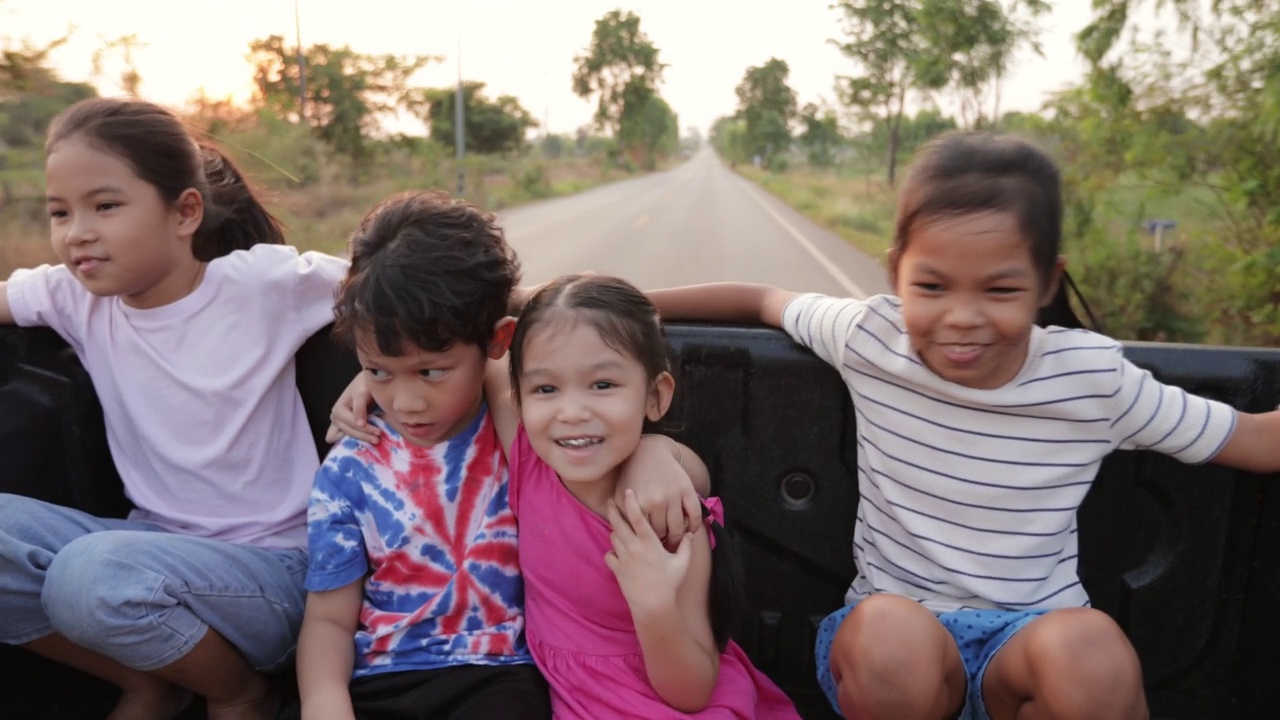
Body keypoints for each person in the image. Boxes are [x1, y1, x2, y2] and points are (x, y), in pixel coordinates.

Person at [639, 131, 1280, 720]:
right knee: (892, 640)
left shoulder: (1092, 378)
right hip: (897, 639)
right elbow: (760, 300)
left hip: (1030, 643)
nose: (962, 318)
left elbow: (1255, 438)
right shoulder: (871, 336)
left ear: (1045, 281)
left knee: (1094, 653)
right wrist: (615, 304)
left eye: (1000, 291)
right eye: (933, 286)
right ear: (897, 275)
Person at [0, 97, 351, 719]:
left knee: (92, 576)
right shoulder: (74, 297)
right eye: (59, 212)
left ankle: (241, 692)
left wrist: (383, 370)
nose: (77, 230)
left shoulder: (260, 286)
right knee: (84, 566)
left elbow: (408, 291)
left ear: (185, 210)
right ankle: (150, 682)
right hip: (148, 554)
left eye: (105, 206)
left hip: (274, 573)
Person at [304, 195, 711, 720]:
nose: (406, 403)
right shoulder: (349, 468)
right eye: (379, 370)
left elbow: (554, 333)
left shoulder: (522, 437)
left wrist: (659, 448)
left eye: (430, 372)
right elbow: (329, 620)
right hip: (379, 678)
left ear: (497, 342)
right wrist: (322, 703)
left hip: (498, 676)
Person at [484, 273, 800, 719]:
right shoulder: (528, 462)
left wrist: (654, 604)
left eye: (603, 385)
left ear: (655, 396)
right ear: (519, 400)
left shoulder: (669, 518)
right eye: (546, 389)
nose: (572, 412)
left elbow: (692, 692)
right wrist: (375, 381)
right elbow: (458, 355)